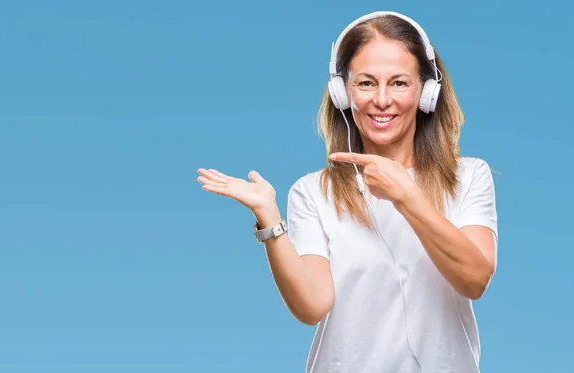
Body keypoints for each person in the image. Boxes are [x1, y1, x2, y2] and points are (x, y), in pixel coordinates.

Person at [197, 10, 498, 373]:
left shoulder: (469, 177)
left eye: (399, 83)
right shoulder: (313, 192)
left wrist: (407, 197)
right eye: (366, 83)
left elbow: (475, 279)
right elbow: (312, 306)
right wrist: (269, 219)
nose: (382, 100)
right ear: (343, 92)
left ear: (426, 92)